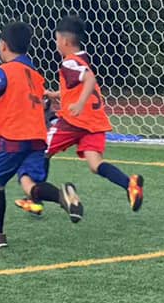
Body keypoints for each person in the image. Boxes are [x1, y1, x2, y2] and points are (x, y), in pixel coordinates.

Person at [0, 21, 84, 248]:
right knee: (28, 182)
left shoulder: (6, 70)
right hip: (37, 138)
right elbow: (42, 104)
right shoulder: (35, 74)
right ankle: (61, 196)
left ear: (3, 46)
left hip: (12, 136)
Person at [17, 15, 143, 216]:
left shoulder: (69, 62)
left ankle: (34, 199)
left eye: (57, 40)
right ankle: (129, 184)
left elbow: (90, 80)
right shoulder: (83, 58)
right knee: (95, 163)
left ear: (65, 41)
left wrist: (79, 103)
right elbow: (76, 87)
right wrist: (56, 94)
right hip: (95, 122)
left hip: (74, 121)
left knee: (41, 149)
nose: (56, 44)